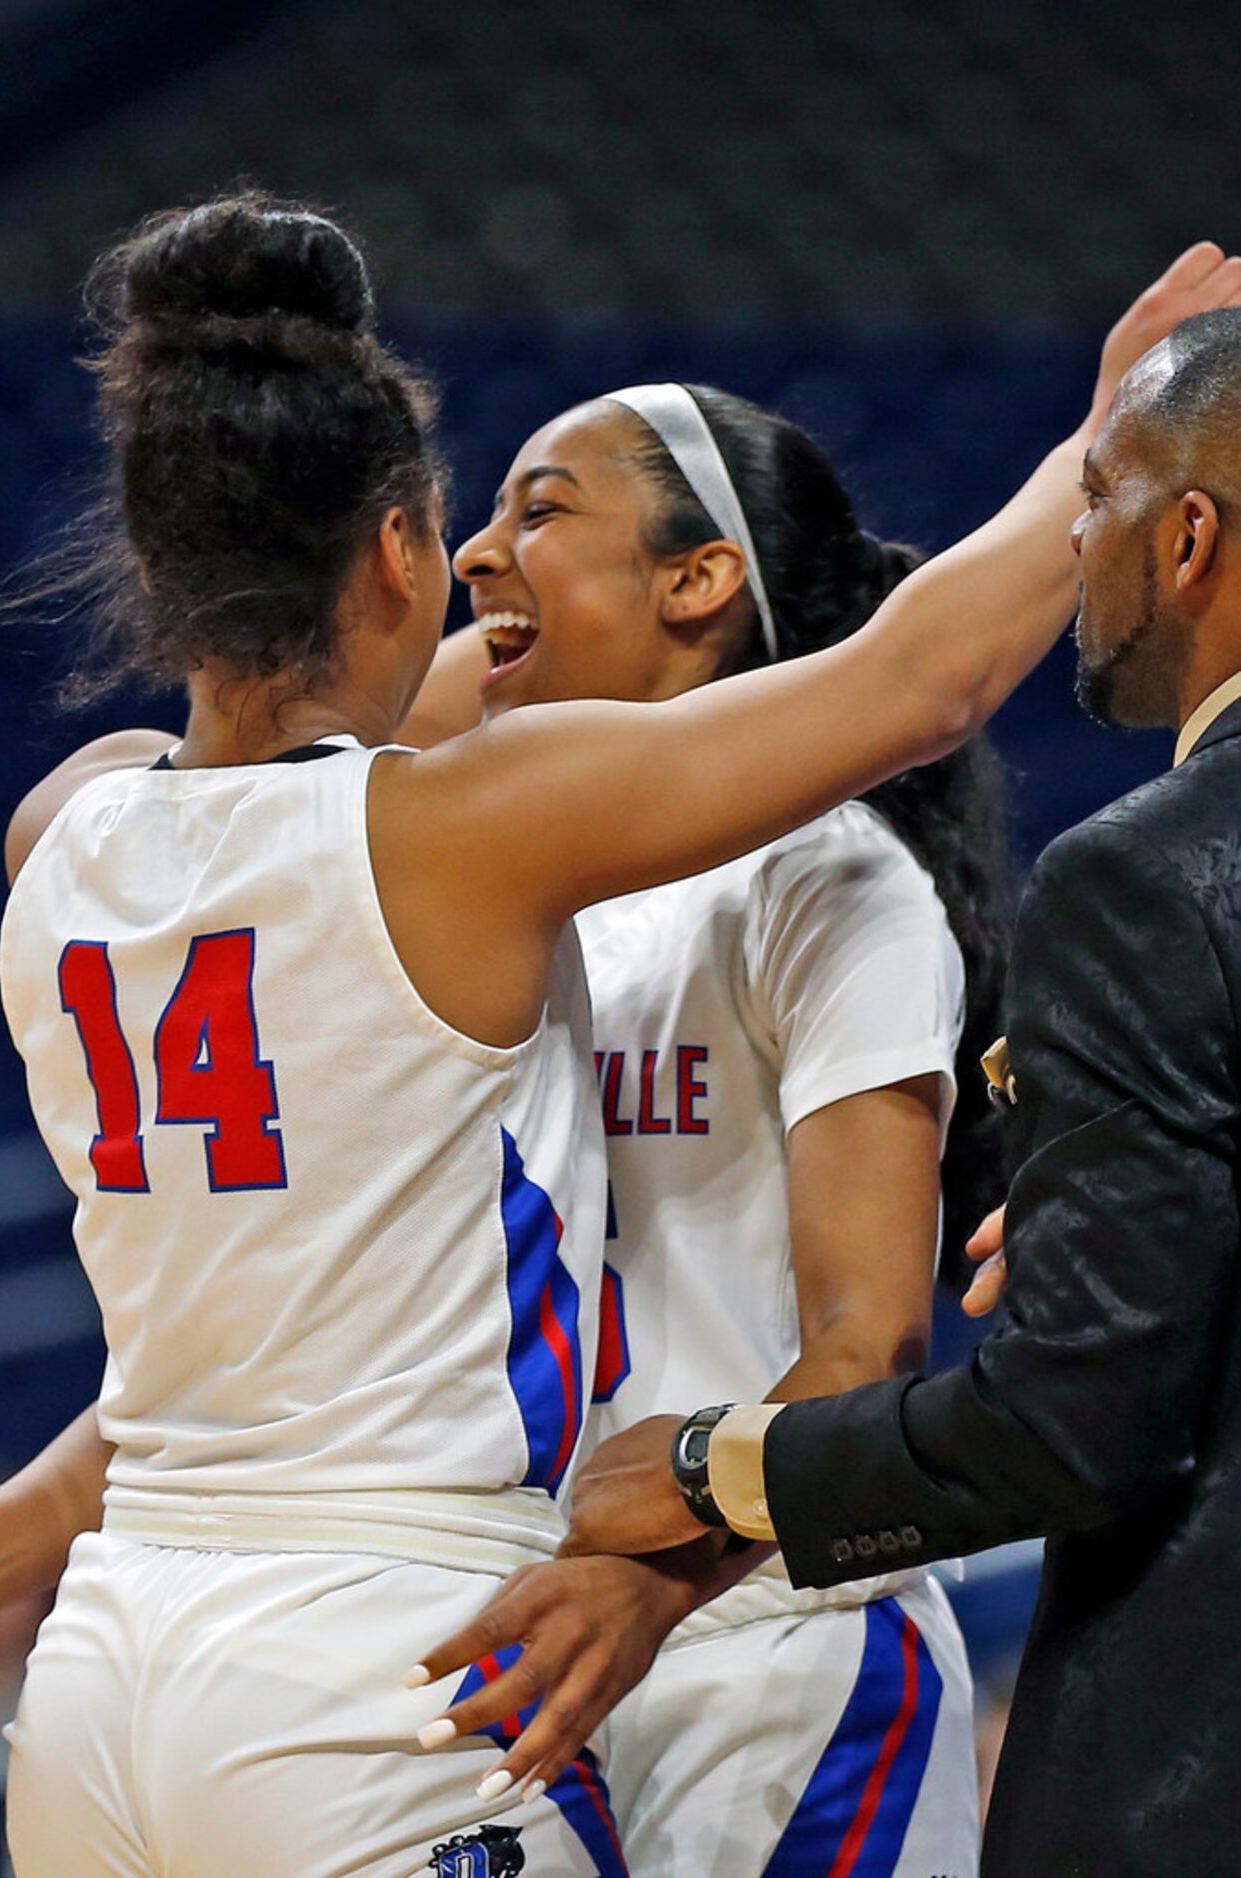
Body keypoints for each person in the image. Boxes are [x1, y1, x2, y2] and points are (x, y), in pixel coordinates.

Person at [0, 208, 1233, 1878]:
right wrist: (1111, 422)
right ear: (397, 553)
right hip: (392, 1657)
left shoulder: (69, 822)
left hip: (106, 1675)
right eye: (458, 533)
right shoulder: (464, 837)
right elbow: (913, 682)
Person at [554, 306, 1241, 1876]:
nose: (1074, 540)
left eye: (1101, 494)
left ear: (1188, 537)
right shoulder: (522, 893)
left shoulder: (1122, 880)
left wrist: (697, 1479)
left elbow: (1073, 1414)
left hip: (789, 1641)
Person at [394, 380, 1007, 1876]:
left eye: (539, 512)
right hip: (528, 1642)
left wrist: (664, 1582)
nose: (477, 557)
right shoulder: (486, 885)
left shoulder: (827, 878)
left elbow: (866, 1349)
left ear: (697, 578)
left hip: (765, 1646)